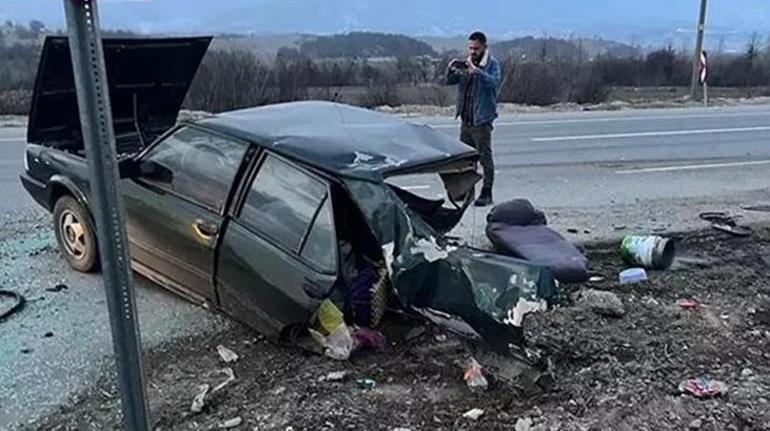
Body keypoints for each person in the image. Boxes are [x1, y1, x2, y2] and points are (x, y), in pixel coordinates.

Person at [447, 31, 501, 207]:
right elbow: (451, 81)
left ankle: (487, 192)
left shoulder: (491, 65)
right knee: (466, 159)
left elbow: (494, 84)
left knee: (484, 157)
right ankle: (467, 192)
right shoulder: (467, 63)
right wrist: (451, 70)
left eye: (476, 48)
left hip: (482, 119)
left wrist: (477, 72)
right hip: (466, 118)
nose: (472, 51)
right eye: (470, 48)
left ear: (484, 47)